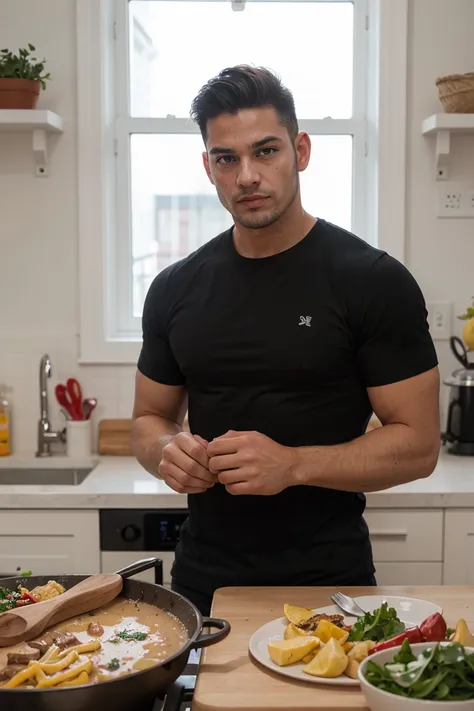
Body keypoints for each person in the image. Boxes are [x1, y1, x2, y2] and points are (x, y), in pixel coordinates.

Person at [132, 65, 440, 616]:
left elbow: (418, 446)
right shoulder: (175, 287)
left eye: (266, 151)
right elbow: (148, 420)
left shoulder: (371, 280)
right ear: (209, 168)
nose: (247, 175)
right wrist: (164, 453)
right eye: (227, 158)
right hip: (203, 580)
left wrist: (293, 465)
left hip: (330, 582)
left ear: (300, 150)